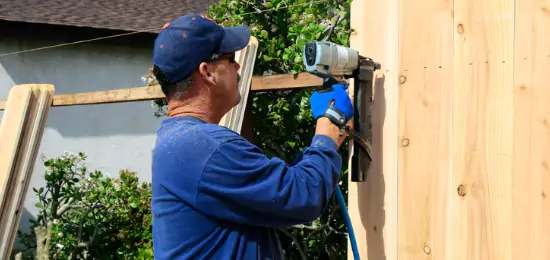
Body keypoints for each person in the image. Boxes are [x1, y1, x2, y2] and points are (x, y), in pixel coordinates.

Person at [151, 13, 354, 260]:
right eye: (229, 58)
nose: (238, 66)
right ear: (207, 72)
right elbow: (302, 196)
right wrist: (329, 125)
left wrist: (326, 142)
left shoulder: (179, 139)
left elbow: (274, 192)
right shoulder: (206, 147)